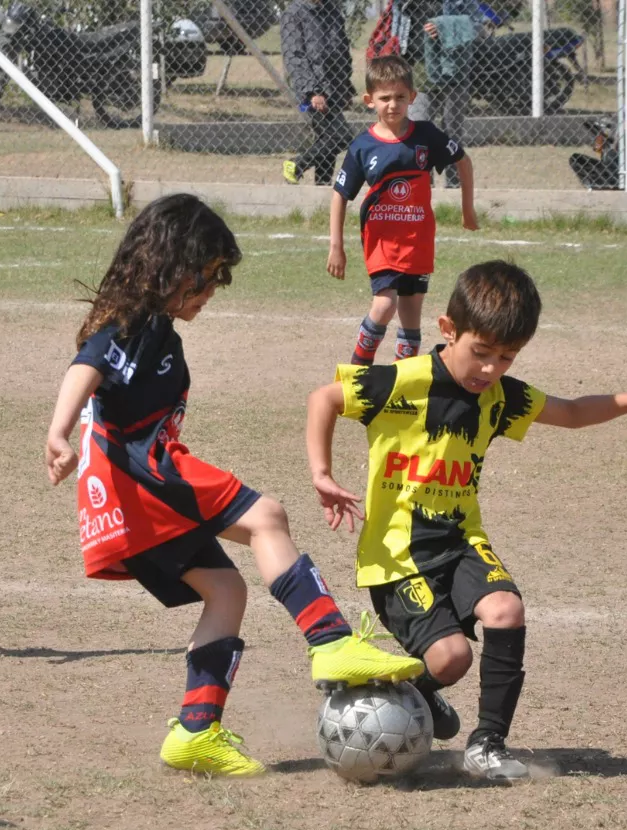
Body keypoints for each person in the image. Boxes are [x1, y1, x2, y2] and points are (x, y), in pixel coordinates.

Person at [44, 194, 424, 777]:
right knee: (267, 516)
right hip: (145, 472)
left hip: (129, 489)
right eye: (208, 277)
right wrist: (58, 429)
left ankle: (196, 731)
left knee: (227, 590)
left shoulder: (151, 325)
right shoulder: (135, 325)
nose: (212, 291)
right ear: (174, 268)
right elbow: (86, 366)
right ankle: (330, 640)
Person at [306, 260, 627, 780]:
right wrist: (322, 473)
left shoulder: (501, 398)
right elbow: (324, 398)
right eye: (480, 353)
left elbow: (571, 412)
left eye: (505, 358)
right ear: (447, 330)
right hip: (397, 557)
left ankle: (487, 744)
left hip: (462, 541)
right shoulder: (404, 380)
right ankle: (405, 693)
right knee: (451, 660)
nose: (489, 369)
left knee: (506, 609)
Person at [327, 55, 478, 366]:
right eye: (384, 98)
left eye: (399, 97)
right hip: (382, 241)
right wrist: (336, 247)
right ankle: (358, 372)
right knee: (384, 305)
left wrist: (467, 210)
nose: (392, 104)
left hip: (418, 240)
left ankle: (400, 381)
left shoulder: (426, 135)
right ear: (370, 100)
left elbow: (463, 160)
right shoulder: (362, 147)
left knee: (411, 318)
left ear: (412, 97)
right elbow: (340, 195)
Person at [280, 0, 356, 186]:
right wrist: (313, 92)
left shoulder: (333, 11)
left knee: (327, 138)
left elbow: (342, 51)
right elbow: (295, 57)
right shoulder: (294, 14)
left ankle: (322, 188)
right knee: (341, 136)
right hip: (311, 92)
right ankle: (296, 164)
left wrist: (345, 86)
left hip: (335, 86)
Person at [421, 0, 483, 189]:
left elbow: (478, 27)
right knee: (420, 128)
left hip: (456, 68)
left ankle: (454, 186)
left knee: (452, 130)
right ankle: (422, 185)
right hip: (419, 69)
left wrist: (443, 27)